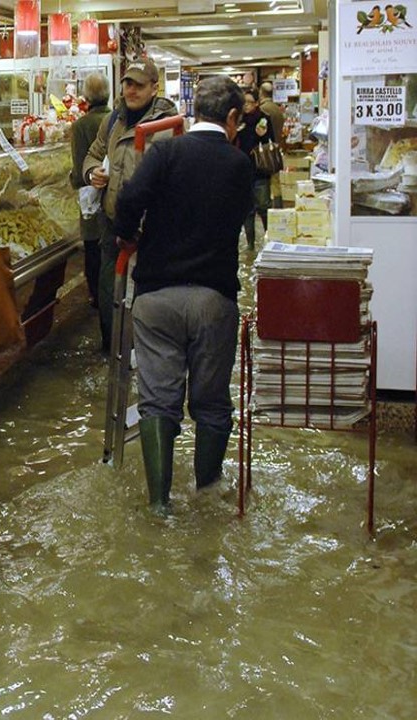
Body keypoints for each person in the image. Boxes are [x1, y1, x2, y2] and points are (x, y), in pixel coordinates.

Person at [112, 75, 253, 514]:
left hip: (156, 298)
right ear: (232, 118)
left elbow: (128, 198)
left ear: (194, 113)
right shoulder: (238, 165)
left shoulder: (166, 152)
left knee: (157, 401)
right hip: (213, 298)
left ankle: (159, 505)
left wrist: (127, 235)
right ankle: (207, 494)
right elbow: (241, 219)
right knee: (211, 403)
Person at [81, 57, 178, 351]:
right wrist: (92, 172)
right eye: (127, 84)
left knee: (149, 297)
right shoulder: (113, 121)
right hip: (113, 224)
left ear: (154, 88)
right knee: (109, 290)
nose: (131, 91)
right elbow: (93, 154)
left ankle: (146, 354)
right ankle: (113, 354)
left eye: (138, 85)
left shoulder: (168, 126)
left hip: (152, 229)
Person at [70, 72, 112, 309]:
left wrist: (73, 181)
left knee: (94, 255)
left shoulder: (81, 125)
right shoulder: (117, 120)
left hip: (91, 200)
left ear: (86, 96)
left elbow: (79, 171)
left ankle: (97, 299)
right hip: (113, 200)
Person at [237, 88, 275, 250]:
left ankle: (268, 239)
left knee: (263, 206)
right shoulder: (238, 120)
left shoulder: (263, 119)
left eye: (250, 103)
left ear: (257, 103)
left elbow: (271, 141)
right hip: (243, 170)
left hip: (260, 169)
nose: (246, 106)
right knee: (247, 210)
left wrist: (262, 135)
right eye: (244, 103)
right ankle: (250, 244)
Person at [258, 81, 285, 208]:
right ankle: (278, 207)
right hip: (276, 148)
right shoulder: (277, 109)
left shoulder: (263, 110)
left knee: (264, 182)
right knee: (276, 182)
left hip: (265, 151)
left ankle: (268, 207)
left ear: (261, 93)